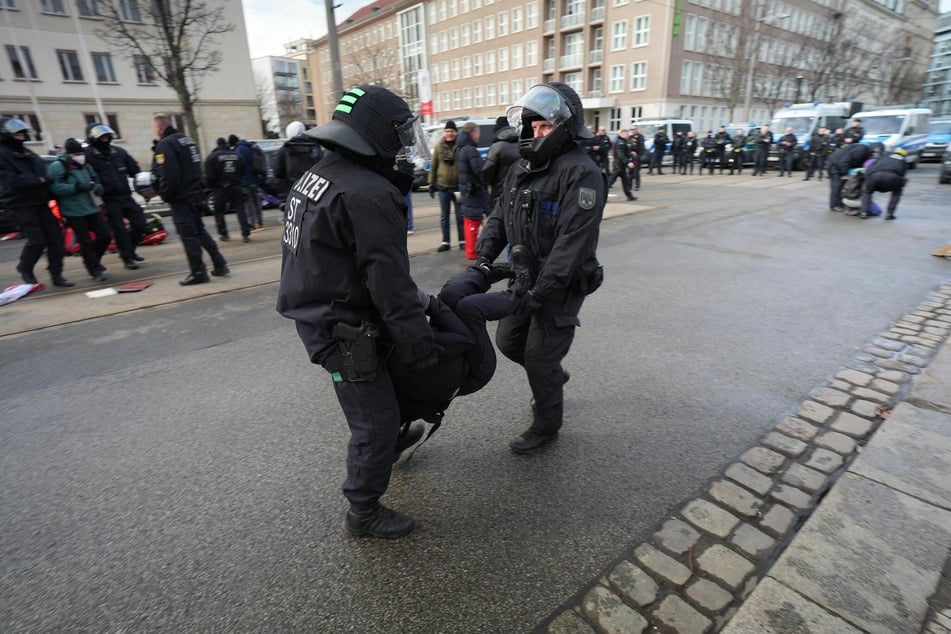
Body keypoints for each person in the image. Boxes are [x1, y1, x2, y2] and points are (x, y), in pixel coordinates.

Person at [276, 85, 438, 539]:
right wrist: (416, 339)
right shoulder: (367, 193)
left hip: (324, 313)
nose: (406, 145)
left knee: (381, 400)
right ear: (375, 135)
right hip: (346, 329)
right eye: (400, 135)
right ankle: (363, 509)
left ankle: (389, 443)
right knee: (374, 418)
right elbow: (388, 280)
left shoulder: (320, 174)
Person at [476, 82, 605, 454]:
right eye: (533, 126)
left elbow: (571, 243)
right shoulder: (520, 168)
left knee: (539, 354)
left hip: (560, 284)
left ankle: (547, 426)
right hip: (525, 276)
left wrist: (541, 291)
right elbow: (500, 214)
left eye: (545, 126)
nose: (536, 132)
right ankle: (552, 375)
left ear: (564, 127)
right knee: (509, 341)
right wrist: (484, 257)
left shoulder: (582, 174)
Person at [151, 113, 229, 285]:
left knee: (189, 236)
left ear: (159, 127)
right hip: (195, 194)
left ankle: (198, 272)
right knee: (200, 231)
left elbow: (169, 175)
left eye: (154, 127)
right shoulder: (187, 140)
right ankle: (219, 263)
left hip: (181, 197)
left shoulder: (165, 145)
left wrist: (166, 195)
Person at [0, 118, 72, 287]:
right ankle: (25, 269)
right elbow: (10, 182)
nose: (21, 135)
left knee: (56, 240)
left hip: (40, 202)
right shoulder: (3, 154)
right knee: (37, 240)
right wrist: (39, 180)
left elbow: (44, 173)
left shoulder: (27, 152)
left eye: (22, 132)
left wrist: (48, 186)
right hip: (20, 205)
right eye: (16, 133)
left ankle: (57, 274)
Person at [84, 123, 148, 270]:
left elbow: (134, 169)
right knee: (119, 230)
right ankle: (127, 258)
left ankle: (130, 250)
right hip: (108, 199)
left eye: (107, 136)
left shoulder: (119, 152)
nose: (105, 139)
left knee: (141, 223)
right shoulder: (89, 156)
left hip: (125, 195)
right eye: (102, 137)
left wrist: (143, 180)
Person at [47, 138, 111, 281]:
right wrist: (76, 187)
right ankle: (94, 270)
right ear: (69, 154)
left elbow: (97, 181)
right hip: (73, 211)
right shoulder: (58, 166)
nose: (80, 156)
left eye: (81, 152)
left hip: (91, 206)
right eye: (76, 153)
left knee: (105, 235)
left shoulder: (87, 165)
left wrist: (97, 188)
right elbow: (54, 187)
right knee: (85, 241)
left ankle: (94, 260)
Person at [204, 136, 250, 242]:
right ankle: (245, 233)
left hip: (220, 187)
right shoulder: (237, 155)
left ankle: (224, 233)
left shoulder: (212, 157)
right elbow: (243, 170)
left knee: (219, 212)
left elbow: (209, 175)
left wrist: (210, 185)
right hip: (236, 186)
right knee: (240, 209)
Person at [456, 121, 489, 260]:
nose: (478, 136)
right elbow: (479, 170)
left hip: (467, 190)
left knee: (470, 221)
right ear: (473, 133)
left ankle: (471, 251)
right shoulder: (470, 150)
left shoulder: (460, 149)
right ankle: (472, 253)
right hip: (474, 191)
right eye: (477, 133)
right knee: (473, 222)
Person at [428, 120, 461, 252]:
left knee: (460, 216)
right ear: (444, 132)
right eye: (447, 131)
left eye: (452, 131)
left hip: (458, 187)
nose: (449, 134)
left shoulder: (460, 146)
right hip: (443, 187)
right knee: (444, 217)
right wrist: (431, 184)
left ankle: (462, 241)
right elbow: (433, 166)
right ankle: (445, 242)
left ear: (456, 132)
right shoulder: (438, 147)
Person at [481, 116, 520, 210]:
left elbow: (487, 171)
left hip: (500, 192)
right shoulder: (521, 145)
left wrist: (486, 182)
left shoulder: (497, 147)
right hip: (518, 191)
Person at [859, 147, 908, 220]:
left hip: (875, 176)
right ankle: (889, 214)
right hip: (893, 177)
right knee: (896, 193)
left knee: (867, 192)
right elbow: (902, 174)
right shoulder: (903, 161)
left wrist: (867, 179)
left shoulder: (884, 156)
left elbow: (871, 167)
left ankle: (863, 212)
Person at [275, 121, 323, 191]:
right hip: (314, 190)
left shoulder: (283, 150)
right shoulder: (314, 147)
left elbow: (277, 173)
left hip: (293, 191)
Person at [231, 134, 266, 232]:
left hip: (245, 181)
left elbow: (238, 165)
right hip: (255, 180)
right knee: (257, 203)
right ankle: (260, 222)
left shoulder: (239, 150)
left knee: (248, 204)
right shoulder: (250, 147)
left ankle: (252, 223)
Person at [827, 142, 872, 212]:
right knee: (837, 185)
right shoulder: (862, 150)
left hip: (837, 162)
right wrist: (846, 175)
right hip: (835, 164)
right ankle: (834, 205)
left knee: (841, 185)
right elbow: (845, 161)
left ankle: (839, 203)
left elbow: (855, 162)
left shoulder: (863, 150)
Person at [611, 128, 637, 201]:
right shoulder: (620, 142)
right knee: (610, 181)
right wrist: (628, 162)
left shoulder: (624, 142)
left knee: (625, 181)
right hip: (618, 165)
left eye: (627, 133)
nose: (627, 135)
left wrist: (631, 153)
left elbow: (626, 152)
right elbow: (620, 154)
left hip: (621, 165)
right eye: (626, 133)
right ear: (621, 134)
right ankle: (601, 195)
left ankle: (629, 196)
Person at [629, 124, 645, 190]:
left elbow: (642, 148)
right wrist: (630, 152)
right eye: (631, 129)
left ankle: (637, 185)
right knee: (630, 172)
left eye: (634, 129)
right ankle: (629, 185)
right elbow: (628, 146)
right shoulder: (630, 137)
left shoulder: (640, 137)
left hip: (637, 157)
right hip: (631, 157)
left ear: (637, 130)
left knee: (636, 172)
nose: (632, 131)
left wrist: (638, 156)